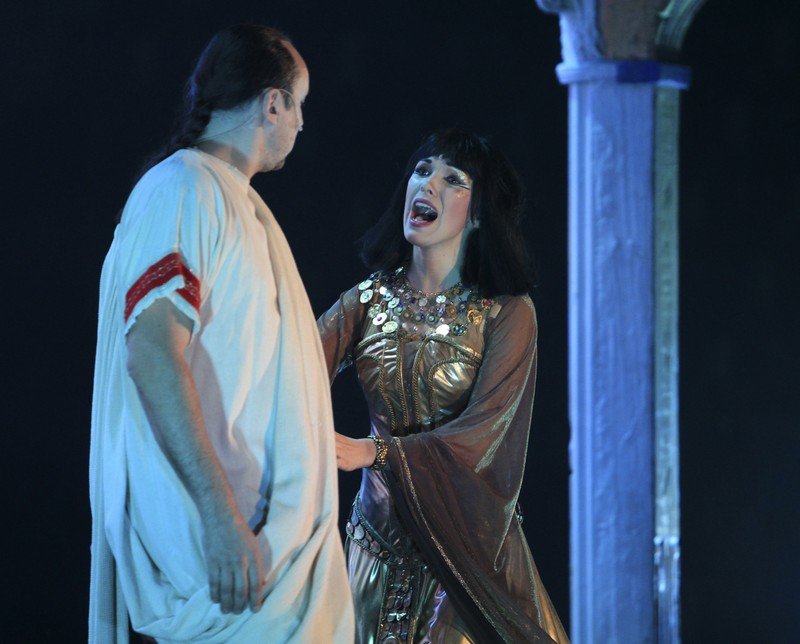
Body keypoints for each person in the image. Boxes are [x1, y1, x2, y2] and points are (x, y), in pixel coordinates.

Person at [89, 25, 353, 642]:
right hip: (225, 560)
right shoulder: (184, 189)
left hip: (259, 557)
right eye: (299, 104)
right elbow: (152, 352)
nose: (302, 124)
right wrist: (220, 518)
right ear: (272, 103)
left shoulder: (230, 199)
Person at [317, 129, 569, 643]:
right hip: (375, 546)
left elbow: (484, 438)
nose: (428, 184)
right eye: (422, 170)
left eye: (453, 179)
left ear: (478, 215)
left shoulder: (507, 314)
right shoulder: (365, 301)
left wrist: (375, 452)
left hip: (467, 553)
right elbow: (289, 378)